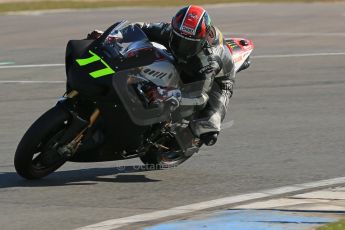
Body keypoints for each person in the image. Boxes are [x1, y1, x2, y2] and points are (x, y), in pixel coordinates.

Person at [87, 5, 236, 146]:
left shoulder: (208, 62)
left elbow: (200, 98)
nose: (182, 46)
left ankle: (184, 139)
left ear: (201, 42)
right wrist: (110, 37)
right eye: (178, 39)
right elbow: (138, 28)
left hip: (218, 79)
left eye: (189, 43)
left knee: (208, 125)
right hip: (184, 62)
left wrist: (171, 94)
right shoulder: (169, 30)